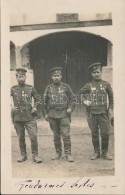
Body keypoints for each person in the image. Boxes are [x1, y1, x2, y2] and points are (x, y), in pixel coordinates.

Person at [80, 62, 113, 160]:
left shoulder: (106, 84)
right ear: (91, 74)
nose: (96, 74)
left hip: (104, 113)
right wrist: (85, 101)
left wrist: (110, 108)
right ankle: (96, 152)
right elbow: (79, 94)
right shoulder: (88, 85)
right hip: (92, 114)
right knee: (94, 133)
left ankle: (105, 153)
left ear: (101, 72)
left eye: (98, 72)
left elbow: (111, 98)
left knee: (105, 134)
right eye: (94, 73)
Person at [42, 67, 75, 162]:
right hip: (52, 116)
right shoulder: (48, 88)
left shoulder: (66, 87)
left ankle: (68, 154)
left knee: (66, 135)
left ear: (61, 76)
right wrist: (45, 114)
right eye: (54, 76)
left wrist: (70, 108)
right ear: (52, 77)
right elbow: (43, 102)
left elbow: (73, 98)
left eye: (58, 75)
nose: (56, 77)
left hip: (64, 114)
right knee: (56, 136)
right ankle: (58, 153)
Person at [11, 68, 42, 163]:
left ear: (25, 77)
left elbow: (38, 99)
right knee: (21, 137)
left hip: (29, 116)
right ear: (16, 77)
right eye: (19, 76)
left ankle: (35, 155)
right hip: (17, 116)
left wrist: (35, 107)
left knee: (33, 136)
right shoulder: (13, 88)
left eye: (22, 76)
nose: (21, 78)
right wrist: (10, 106)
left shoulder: (30, 88)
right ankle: (23, 155)